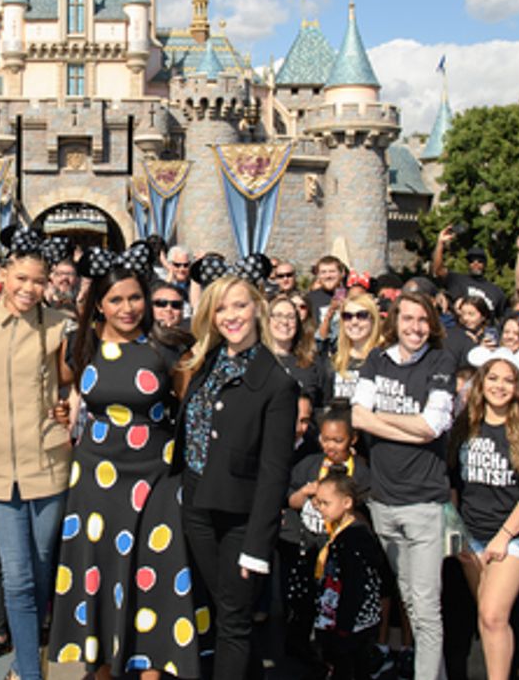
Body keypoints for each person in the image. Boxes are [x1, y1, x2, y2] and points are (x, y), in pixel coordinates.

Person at [49, 253, 203, 680]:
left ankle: (151, 669)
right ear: (99, 303)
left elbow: (188, 412)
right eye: (116, 299)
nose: (128, 308)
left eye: (136, 297)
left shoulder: (168, 346)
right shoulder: (82, 345)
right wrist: (65, 414)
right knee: (98, 575)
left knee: (153, 574)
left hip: (155, 479)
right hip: (96, 481)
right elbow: (63, 386)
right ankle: (101, 667)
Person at [173, 273, 298, 680]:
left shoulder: (276, 383)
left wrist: (258, 546)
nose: (231, 316)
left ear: (257, 309)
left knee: (234, 620)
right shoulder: (207, 362)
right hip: (196, 507)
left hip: (240, 519)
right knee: (221, 608)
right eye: (221, 308)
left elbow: (275, 472)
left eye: (239, 305)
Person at [0, 227, 74, 680]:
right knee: (17, 577)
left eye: (38, 280)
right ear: (5, 275)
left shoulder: (59, 326)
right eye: (22, 279)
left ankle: (30, 655)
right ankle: (29, 669)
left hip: (48, 460)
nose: (29, 288)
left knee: (39, 565)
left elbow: (74, 381)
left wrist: (68, 405)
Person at [350, 292, 457, 680]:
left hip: (424, 503)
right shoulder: (377, 360)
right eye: (408, 319)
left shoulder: (441, 360)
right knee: (409, 600)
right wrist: (409, 426)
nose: (415, 327)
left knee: (426, 609)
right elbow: (357, 417)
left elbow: (433, 426)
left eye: (423, 320)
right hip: (383, 501)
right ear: (394, 321)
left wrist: (382, 417)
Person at [449, 356, 519, 680]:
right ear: (481, 383)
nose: (499, 386)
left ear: (518, 388)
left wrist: (504, 536)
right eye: (493, 378)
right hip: (471, 535)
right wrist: (456, 534)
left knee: (493, 616)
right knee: (486, 616)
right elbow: (452, 481)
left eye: (508, 380)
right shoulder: (464, 425)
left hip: (513, 536)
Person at [283, 410, 370, 665]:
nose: (330, 446)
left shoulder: (361, 472)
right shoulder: (309, 464)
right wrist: (305, 492)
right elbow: (291, 500)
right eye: (325, 439)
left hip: (341, 553)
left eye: (337, 440)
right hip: (309, 545)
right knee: (303, 604)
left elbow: (364, 515)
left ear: (352, 439)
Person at [310, 475, 386, 680]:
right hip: (349, 619)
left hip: (352, 622)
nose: (320, 508)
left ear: (347, 503)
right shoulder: (345, 534)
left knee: (349, 669)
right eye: (318, 503)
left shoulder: (353, 539)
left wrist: (343, 626)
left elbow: (355, 584)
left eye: (326, 503)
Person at [324, 291, 381, 405]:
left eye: (362, 315)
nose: (354, 322)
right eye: (347, 316)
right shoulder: (334, 361)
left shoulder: (383, 360)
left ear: (373, 319)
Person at [434, 229, 507, 317]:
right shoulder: (456, 279)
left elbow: (501, 319)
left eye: (480, 261)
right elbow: (438, 270)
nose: (475, 263)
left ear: (485, 264)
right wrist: (440, 243)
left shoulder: (496, 292)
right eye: (472, 260)